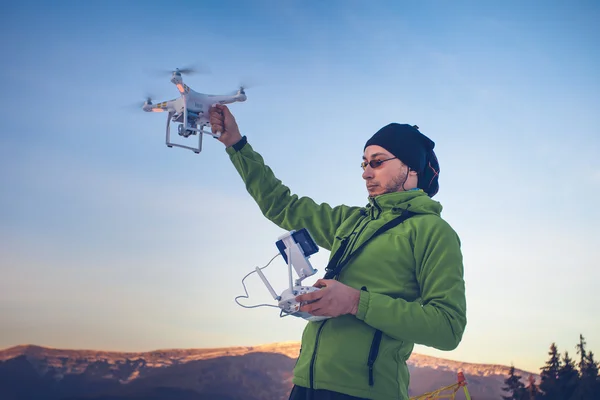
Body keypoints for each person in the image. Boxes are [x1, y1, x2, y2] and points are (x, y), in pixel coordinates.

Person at [209, 104, 467, 400]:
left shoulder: (433, 232)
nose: (366, 173)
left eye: (378, 162)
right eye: (364, 164)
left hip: (367, 393)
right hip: (305, 384)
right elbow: (282, 205)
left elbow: (448, 327)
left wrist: (356, 302)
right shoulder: (351, 221)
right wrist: (237, 145)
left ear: (411, 168)